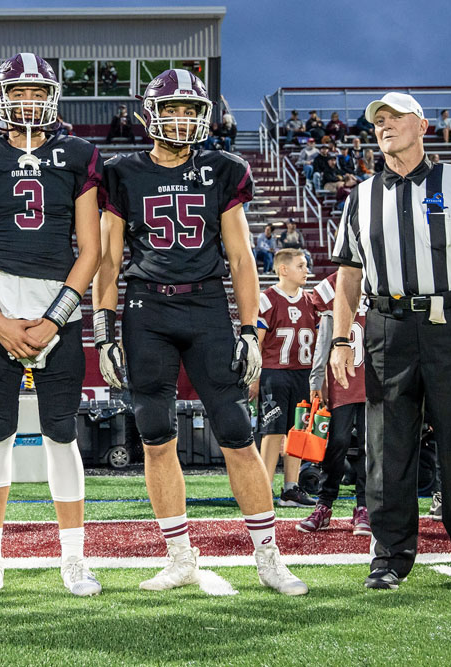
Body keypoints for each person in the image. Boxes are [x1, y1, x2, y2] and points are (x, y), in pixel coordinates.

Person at [94, 69, 307, 596]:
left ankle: (268, 557)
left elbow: (240, 257)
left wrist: (251, 329)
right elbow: (108, 258)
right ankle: (179, 556)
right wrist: (103, 330)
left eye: (191, 108)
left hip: (209, 306)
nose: (182, 118)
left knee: (237, 431)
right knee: (156, 435)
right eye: (172, 108)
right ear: (150, 114)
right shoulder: (122, 172)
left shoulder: (223, 168)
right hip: (146, 312)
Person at [331, 91, 451, 593]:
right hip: (387, 326)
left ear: (422, 125)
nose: (384, 126)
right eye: (378, 120)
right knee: (387, 447)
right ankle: (388, 558)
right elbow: (347, 274)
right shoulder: (360, 196)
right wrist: (340, 339)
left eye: (394, 117)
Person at [0, 52, 103, 598]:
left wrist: (54, 319)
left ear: (53, 97)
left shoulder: (79, 154)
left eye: (38, 92)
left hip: (56, 303)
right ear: (1, 97)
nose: (29, 102)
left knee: (63, 432)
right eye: (19, 92)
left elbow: (92, 249)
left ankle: (74, 558)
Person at [298, 270, 369, 536]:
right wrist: (317, 379)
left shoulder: (382, 275)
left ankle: (364, 507)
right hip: (341, 379)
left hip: (374, 378)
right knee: (335, 443)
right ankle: (324, 504)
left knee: (368, 445)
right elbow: (324, 335)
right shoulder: (332, 284)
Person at [252, 248, 317, 508]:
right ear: (284, 269)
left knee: (297, 433)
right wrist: (254, 377)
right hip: (274, 374)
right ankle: (263, 489)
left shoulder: (312, 301)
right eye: (301, 266)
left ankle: (291, 489)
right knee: (272, 432)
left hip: (302, 374)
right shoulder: (267, 299)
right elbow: (257, 342)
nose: (306, 271)